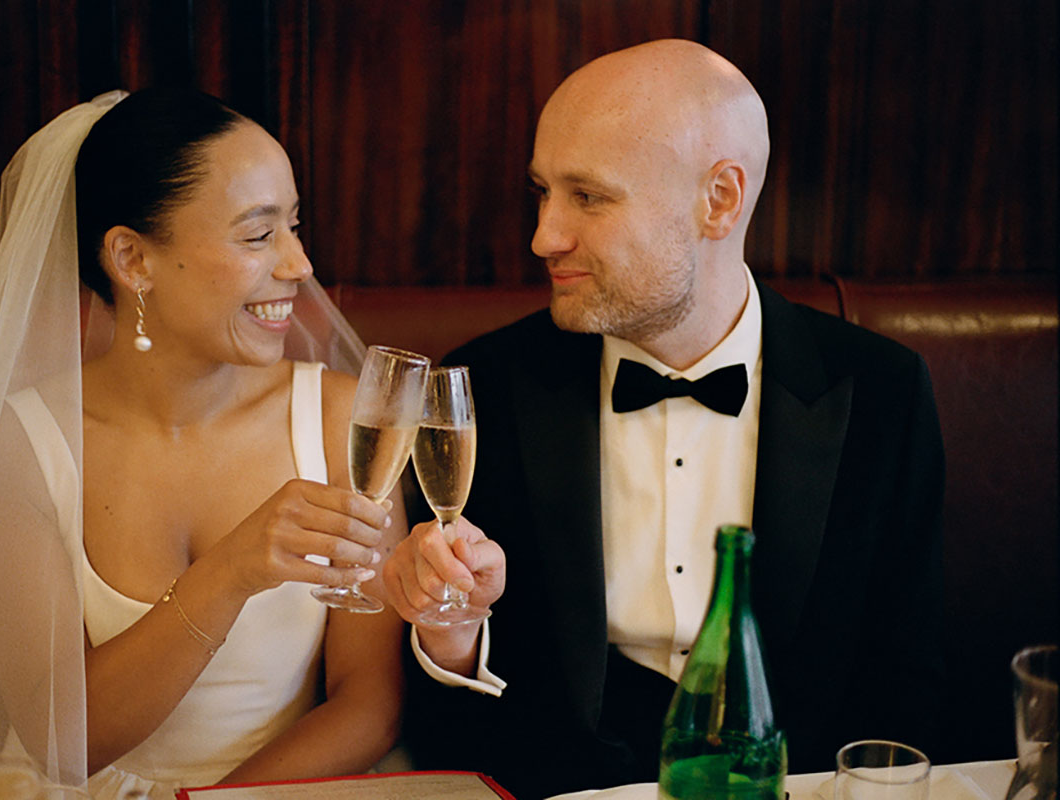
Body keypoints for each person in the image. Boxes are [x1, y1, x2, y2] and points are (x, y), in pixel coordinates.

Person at [382, 39, 945, 799]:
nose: (544, 236)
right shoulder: (484, 386)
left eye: (589, 196)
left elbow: (911, 678)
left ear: (719, 200)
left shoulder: (880, 390)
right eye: (543, 191)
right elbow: (453, 723)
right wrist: (451, 634)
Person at [0, 88, 406, 799]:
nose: (299, 264)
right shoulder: (22, 446)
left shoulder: (344, 421)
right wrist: (233, 570)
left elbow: (369, 705)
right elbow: (64, 743)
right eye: (258, 234)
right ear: (133, 258)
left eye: (295, 226)